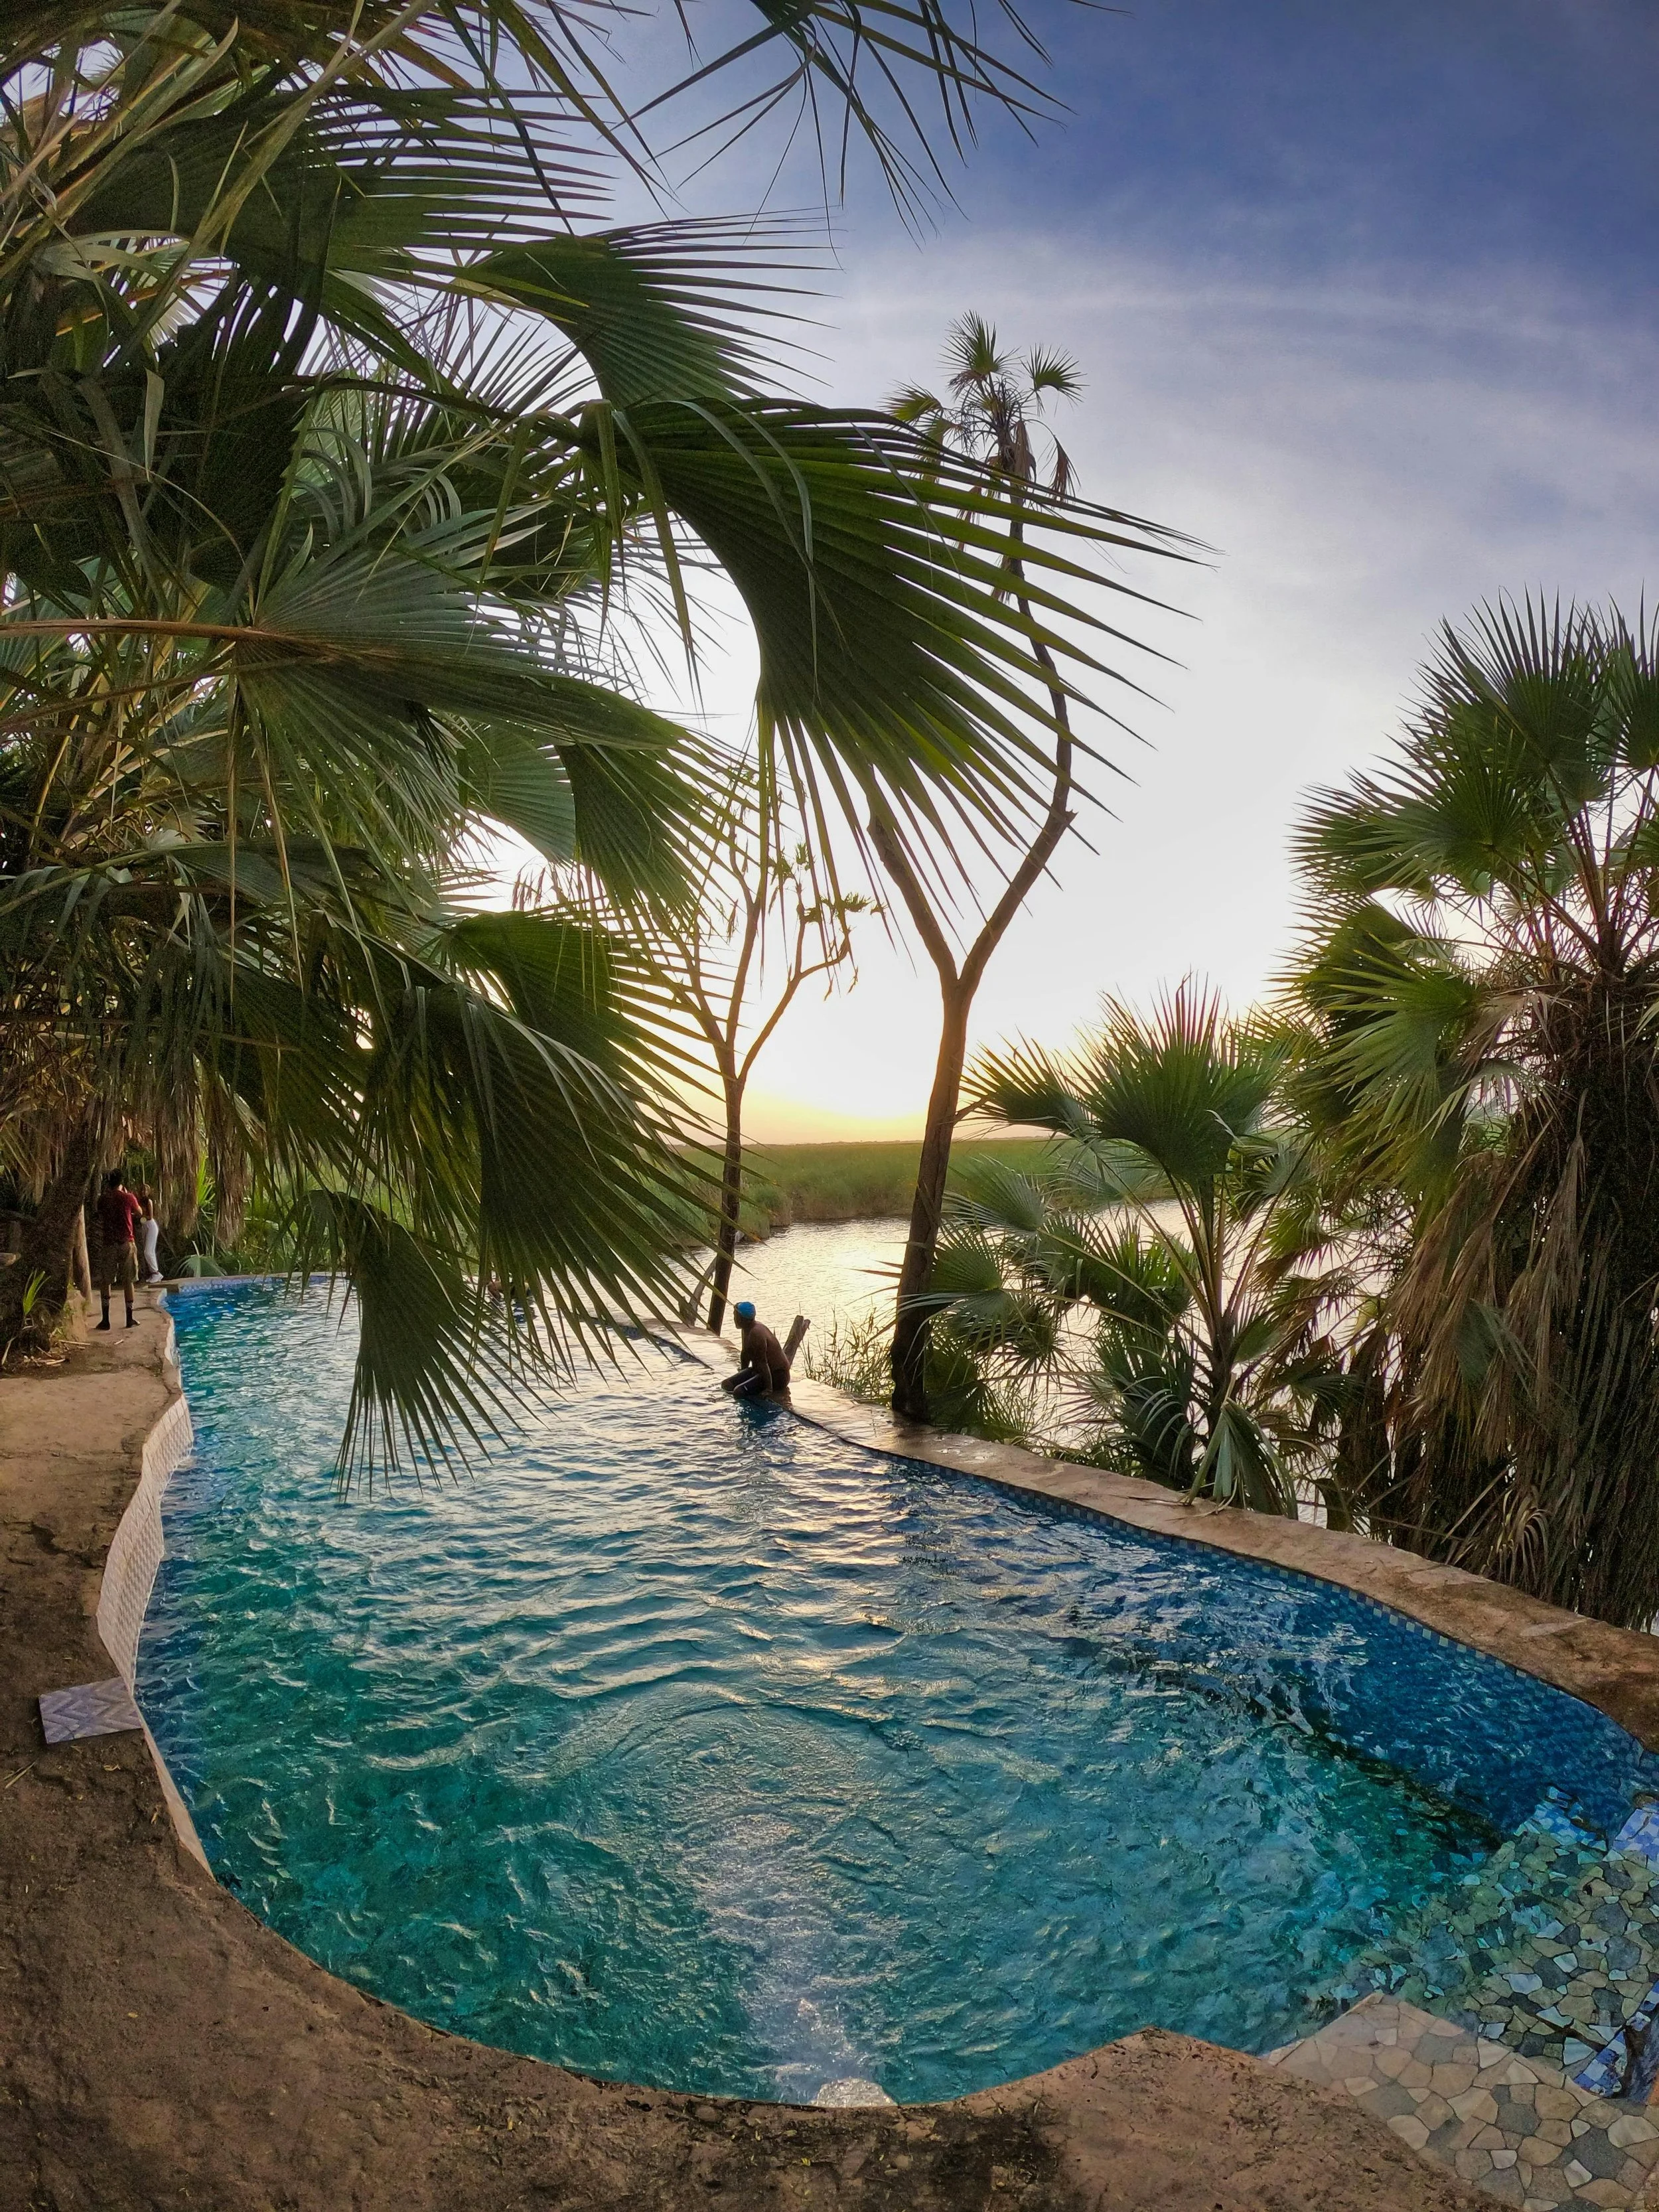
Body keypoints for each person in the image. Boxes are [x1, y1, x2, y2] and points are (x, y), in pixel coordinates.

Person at [94, 1167, 143, 1330]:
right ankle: (129, 1318)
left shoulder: (103, 1199)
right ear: (121, 1182)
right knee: (128, 1280)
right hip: (126, 1243)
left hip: (109, 1244)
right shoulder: (128, 1198)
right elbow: (140, 1213)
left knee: (106, 1280)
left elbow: (99, 1213)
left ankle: (106, 1320)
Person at [721, 1300, 791, 1400]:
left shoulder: (756, 1333)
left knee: (739, 1392)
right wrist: (743, 1372)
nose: (734, 1319)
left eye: (735, 1316)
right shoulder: (746, 1329)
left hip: (778, 1376)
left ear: (742, 1318)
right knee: (727, 1384)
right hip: (760, 1371)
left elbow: (763, 1362)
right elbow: (745, 1354)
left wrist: (768, 1389)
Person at [137, 1186, 163, 1285]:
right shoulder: (139, 1201)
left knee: (148, 1251)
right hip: (144, 1226)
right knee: (147, 1251)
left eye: (145, 1190)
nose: (143, 1192)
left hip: (150, 1226)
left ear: (148, 1192)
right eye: (142, 1190)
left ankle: (156, 1273)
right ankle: (153, 1274)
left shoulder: (149, 1201)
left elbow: (150, 1217)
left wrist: (140, 1216)